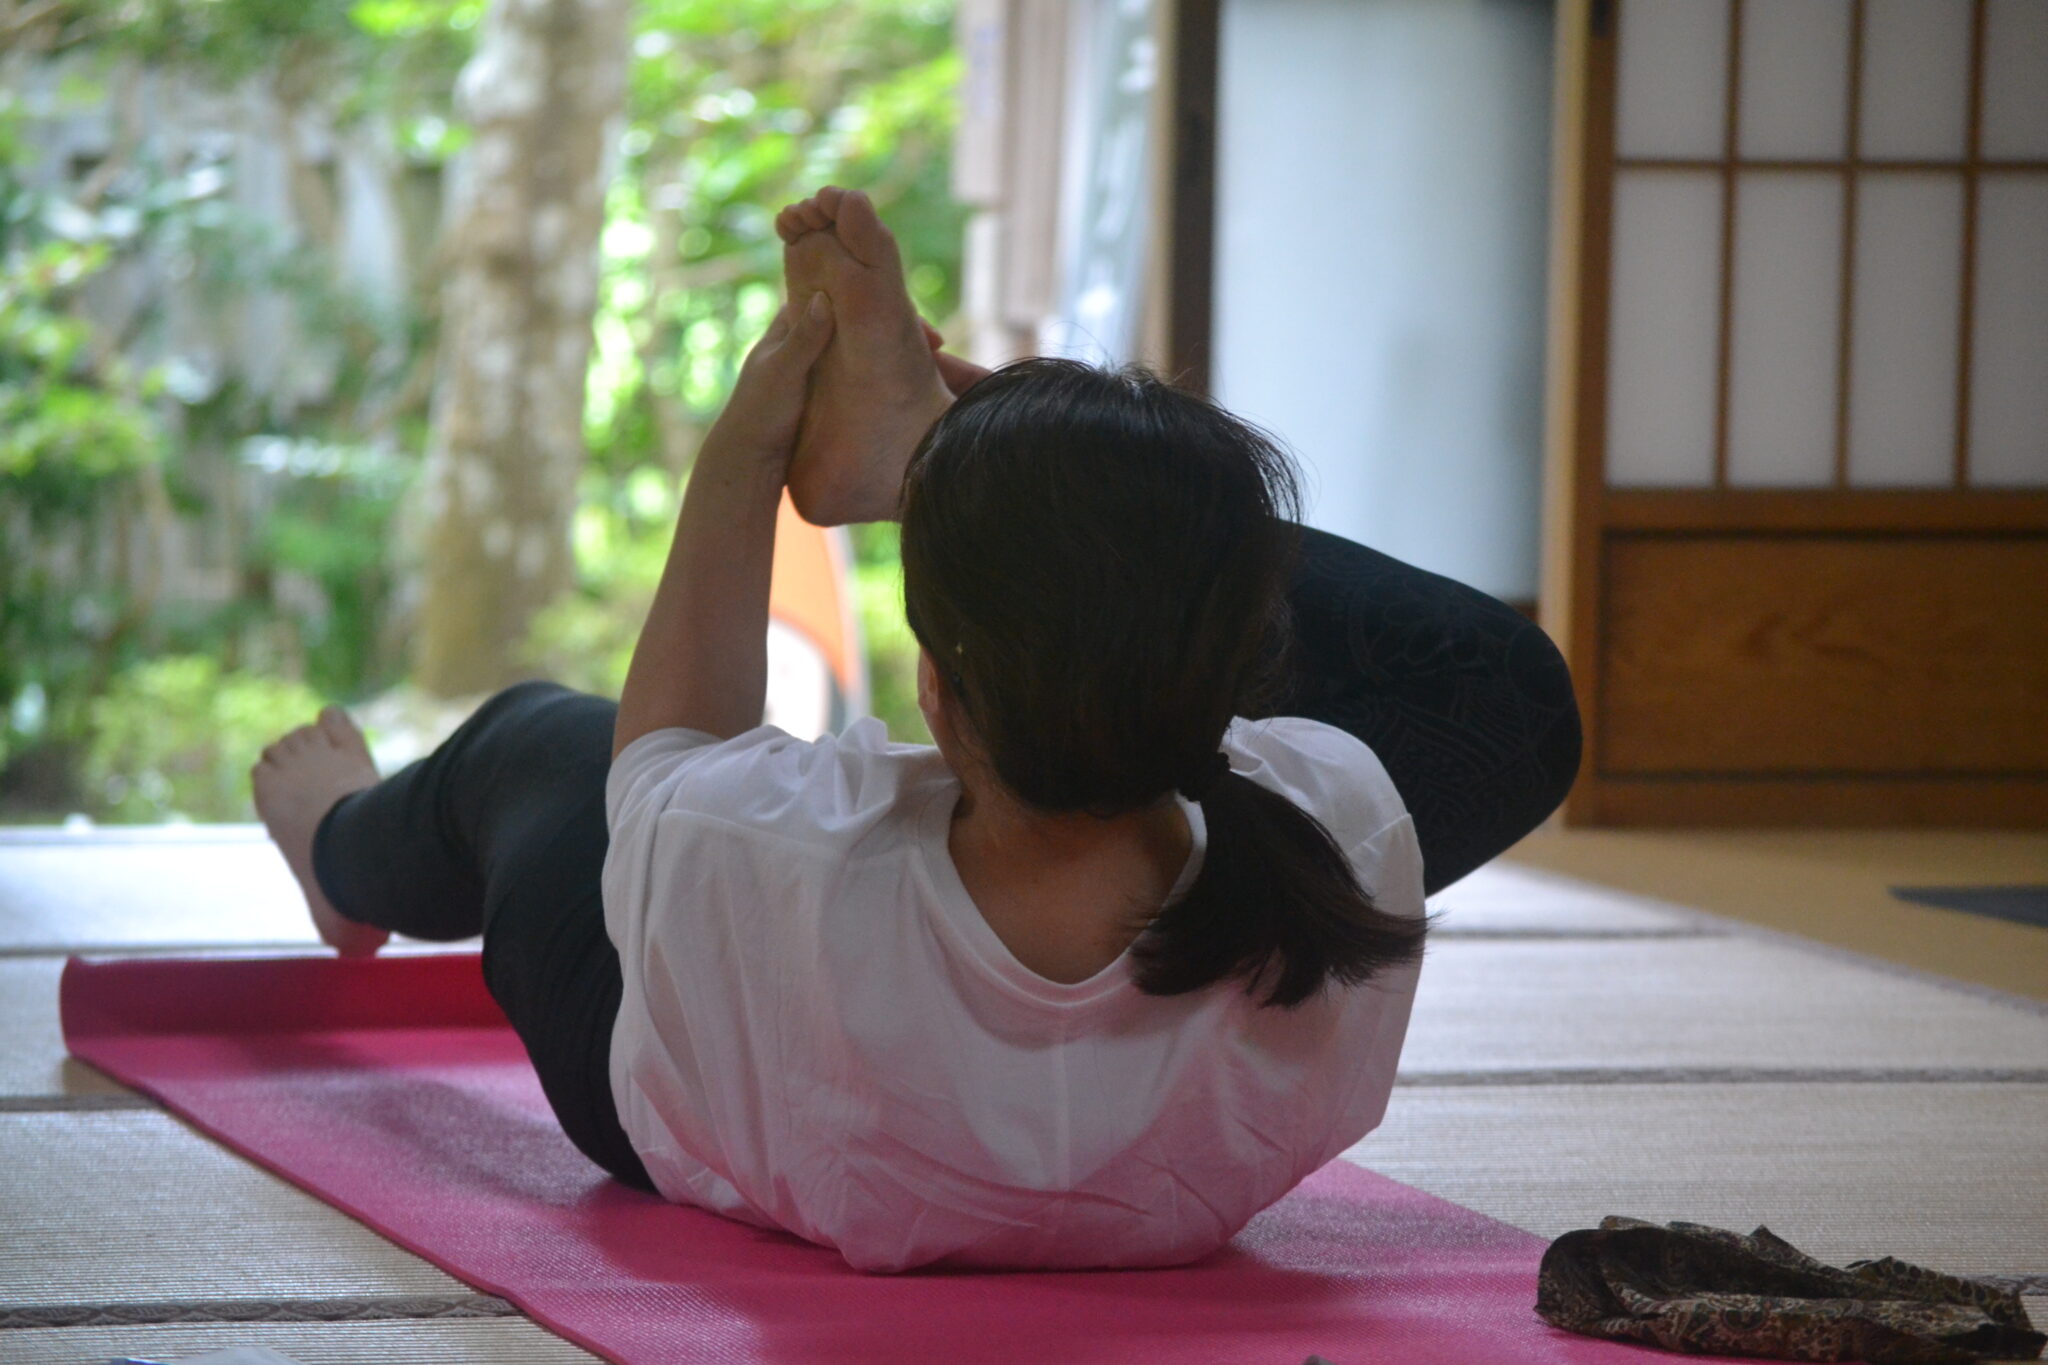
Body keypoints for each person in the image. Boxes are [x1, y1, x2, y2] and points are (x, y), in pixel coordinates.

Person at [250, 187, 1580, 1273]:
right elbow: (1482, 678)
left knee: (535, 742)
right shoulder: (1333, 846)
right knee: (1508, 700)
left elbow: (659, 757)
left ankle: (335, 847)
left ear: (933, 691)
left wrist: (745, 446)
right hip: (1167, 1183)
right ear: (1247, 686)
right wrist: (1078, 479)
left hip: (668, 1108)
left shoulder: (783, 856)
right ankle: (942, 456)